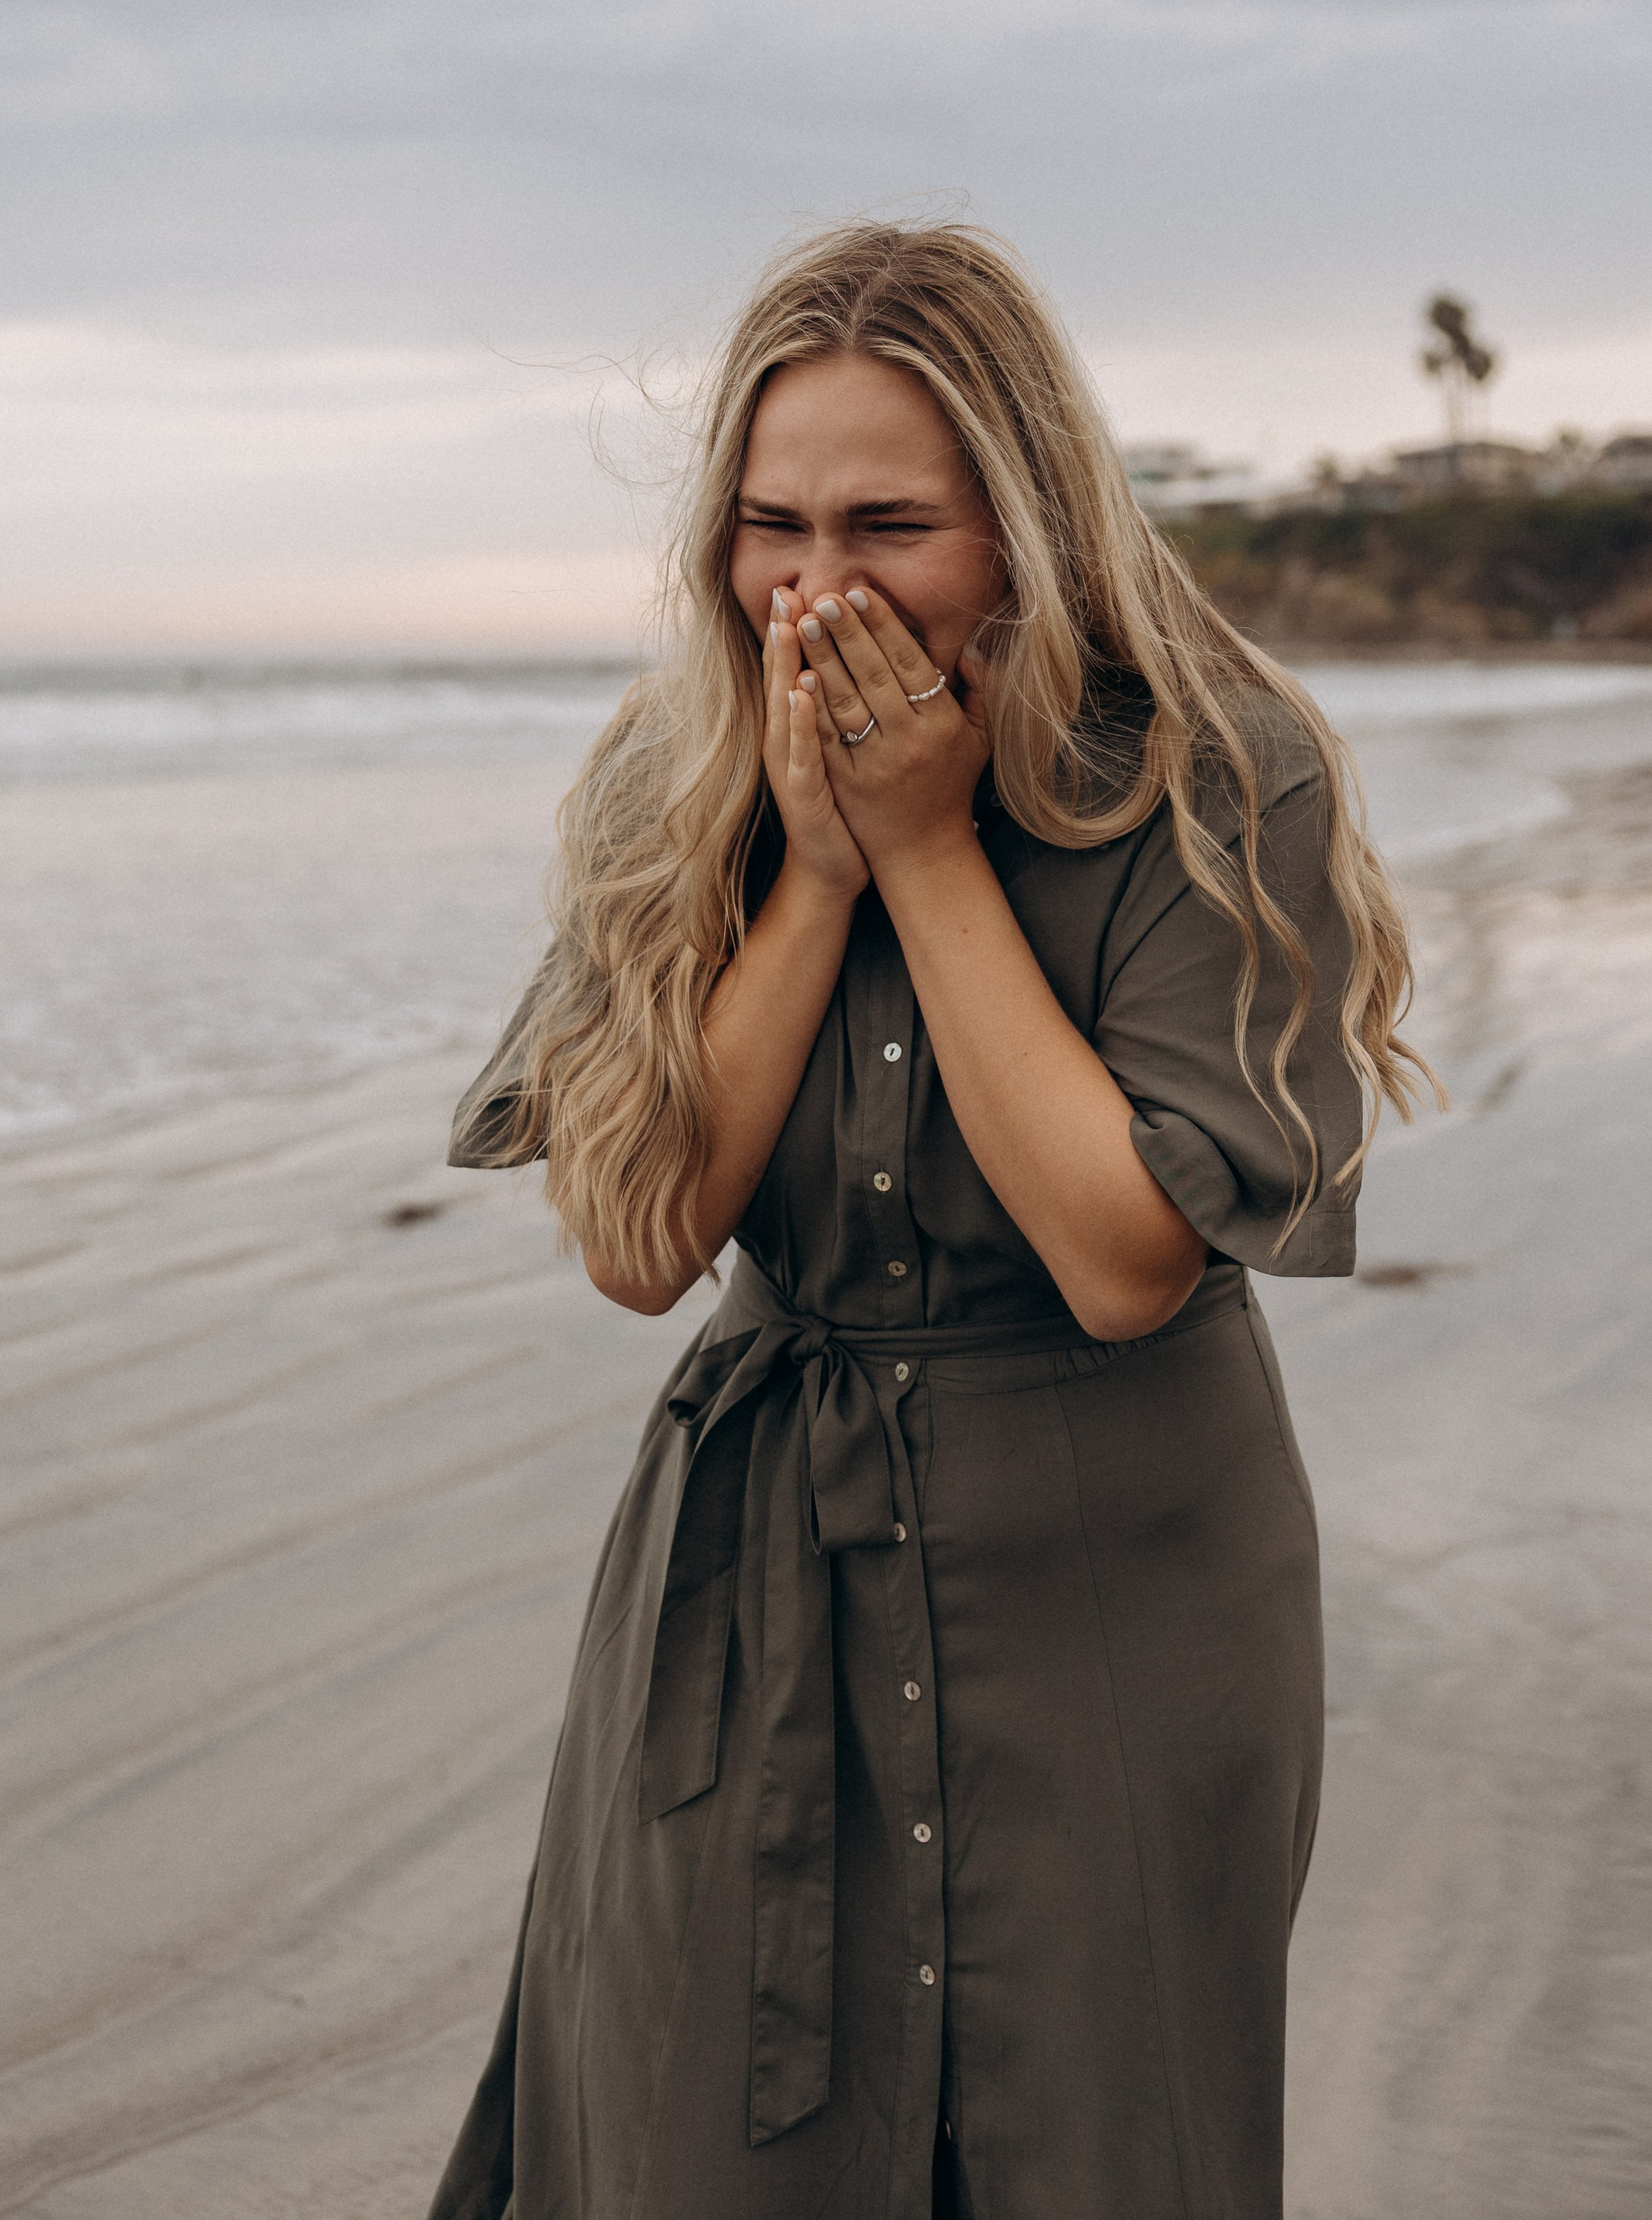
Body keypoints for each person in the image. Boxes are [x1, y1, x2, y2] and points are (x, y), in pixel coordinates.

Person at [427, 221, 1433, 2220]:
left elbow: (1128, 1258)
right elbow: (641, 1247)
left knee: (1089, 2140)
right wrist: (811, 878)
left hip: (1119, 1576)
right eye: (770, 525)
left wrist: (931, 850)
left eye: (889, 523)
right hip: (752, 1574)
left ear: (1029, 524)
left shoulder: (1226, 780)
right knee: (702, 2125)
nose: (817, 591)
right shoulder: (672, 781)